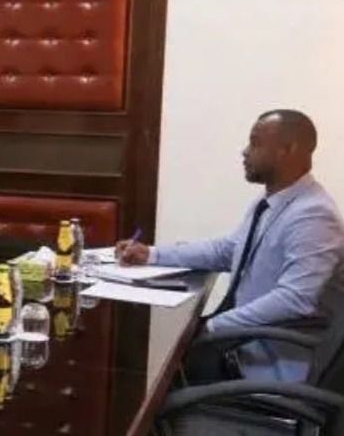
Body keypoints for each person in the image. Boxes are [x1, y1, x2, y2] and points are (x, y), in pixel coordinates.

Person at [117, 109, 344, 382]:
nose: (245, 152)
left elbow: (294, 299)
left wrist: (213, 327)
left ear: (288, 150)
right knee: (147, 359)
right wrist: (152, 254)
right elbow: (228, 250)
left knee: (148, 371)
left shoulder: (314, 216)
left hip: (262, 363)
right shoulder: (272, 202)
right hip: (238, 344)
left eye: (255, 143)